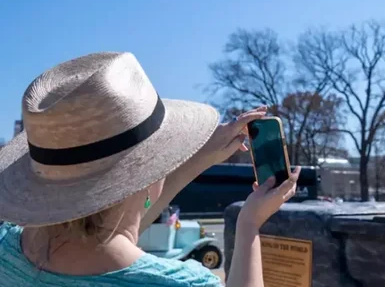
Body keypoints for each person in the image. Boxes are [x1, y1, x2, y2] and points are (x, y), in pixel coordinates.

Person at [0, 51, 299, 286]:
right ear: (145, 176)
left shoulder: (6, 252)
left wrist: (199, 157)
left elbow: (109, 232)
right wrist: (248, 225)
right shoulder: (180, 284)